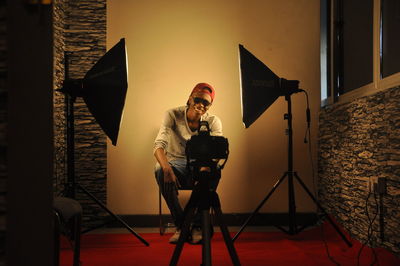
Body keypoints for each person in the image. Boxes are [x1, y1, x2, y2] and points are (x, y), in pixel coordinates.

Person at [153, 83, 223, 244]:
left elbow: (218, 151)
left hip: (200, 163)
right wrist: (166, 167)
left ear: (210, 105)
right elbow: (158, 145)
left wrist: (206, 167)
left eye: (206, 102)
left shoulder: (213, 121)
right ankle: (181, 225)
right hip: (176, 162)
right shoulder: (172, 114)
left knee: (216, 169)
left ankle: (198, 225)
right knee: (159, 169)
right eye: (198, 99)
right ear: (190, 98)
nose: (200, 104)